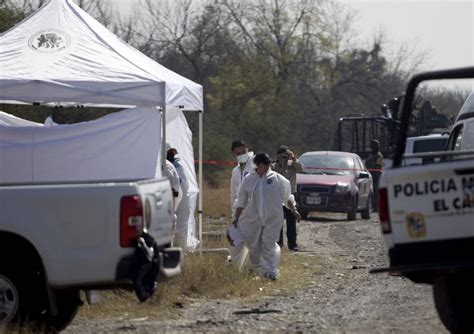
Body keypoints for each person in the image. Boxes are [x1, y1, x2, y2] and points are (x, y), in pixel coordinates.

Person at [233, 152, 299, 280]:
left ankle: (271, 272)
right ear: (257, 165)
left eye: (269, 163)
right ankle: (259, 270)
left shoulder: (278, 179)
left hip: (273, 219)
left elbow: (287, 198)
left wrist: (294, 210)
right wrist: (236, 218)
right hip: (253, 220)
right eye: (265, 164)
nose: (268, 166)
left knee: (268, 245)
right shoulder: (248, 180)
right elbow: (241, 201)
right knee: (254, 247)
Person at [227, 140, 255, 269]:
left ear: (247, 149)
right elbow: (234, 194)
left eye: (243, 151)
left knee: (254, 243)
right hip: (240, 213)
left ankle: (252, 269)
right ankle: (235, 267)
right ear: (234, 154)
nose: (241, 154)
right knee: (236, 243)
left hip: (255, 212)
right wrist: (234, 214)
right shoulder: (235, 171)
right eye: (238, 153)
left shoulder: (255, 165)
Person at [272, 145, 303, 251]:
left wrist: (292, 158)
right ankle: (278, 242)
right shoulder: (275, 166)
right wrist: (280, 163)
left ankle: (292, 244)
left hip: (291, 194)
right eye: (283, 154)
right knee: (278, 219)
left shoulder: (292, 165)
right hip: (277, 195)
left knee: (291, 220)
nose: (284, 157)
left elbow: (300, 168)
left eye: (286, 155)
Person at [167, 145, 190, 249]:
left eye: (172, 153)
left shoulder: (177, 167)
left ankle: (181, 253)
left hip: (182, 200)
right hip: (174, 201)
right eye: (169, 153)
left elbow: (182, 187)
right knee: (171, 229)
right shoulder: (167, 167)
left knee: (181, 229)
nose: (172, 155)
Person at [365, 139, 383, 212]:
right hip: (370, 175)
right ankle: (373, 206)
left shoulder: (379, 155)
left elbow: (378, 167)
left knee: (376, 192)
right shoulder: (372, 155)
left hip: (375, 176)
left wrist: (375, 176)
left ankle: (376, 207)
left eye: (373, 146)